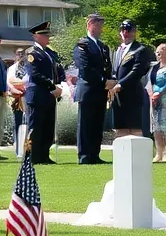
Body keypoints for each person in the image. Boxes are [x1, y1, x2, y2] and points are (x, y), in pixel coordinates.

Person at [72, 12, 114, 164]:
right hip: (88, 90)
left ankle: (94, 154)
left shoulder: (102, 46)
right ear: (89, 25)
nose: (100, 27)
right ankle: (84, 156)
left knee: (97, 124)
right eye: (97, 23)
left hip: (100, 91)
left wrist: (110, 79)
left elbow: (107, 66)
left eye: (101, 23)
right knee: (85, 124)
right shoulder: (82, 45)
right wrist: (104, 80)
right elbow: (85, 68)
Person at [24, 21, 64, 164]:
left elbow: (57, 71)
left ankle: (44, 155)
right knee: (36, 128)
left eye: (48, 35)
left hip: (49, 95)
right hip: (37, 94)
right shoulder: (31, 53)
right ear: (36, 37)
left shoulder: (49, 53)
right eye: (44, 35)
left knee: (48, 127)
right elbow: (35, 75)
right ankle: (33, 156)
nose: (48, 38)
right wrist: (52, 86)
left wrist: (61, 84)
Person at [110, 19, 153, 139]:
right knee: (120, 128)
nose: (125, 33)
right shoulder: (118, 50)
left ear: (134, 32)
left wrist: (121, 84)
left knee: (134, 128)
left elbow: (137, 71)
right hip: (117, 96)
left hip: (133, 94)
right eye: (123, 30)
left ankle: (137, 156)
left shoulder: (140, 49)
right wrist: (111, 83)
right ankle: (122, 157)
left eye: (129, 30)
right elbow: (115, 70)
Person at [8, 47, 27, 156]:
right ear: (15, 55)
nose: (20, 56)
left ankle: (27, 147)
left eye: (22, 54)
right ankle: (18, 149)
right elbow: (9, 82)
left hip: (27, 97)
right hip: (16, 99)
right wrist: (15, 90)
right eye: (18, 54)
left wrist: (24, 89)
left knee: (27, 123)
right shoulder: (11, 69)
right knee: (18, 123)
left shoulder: (28, 67)